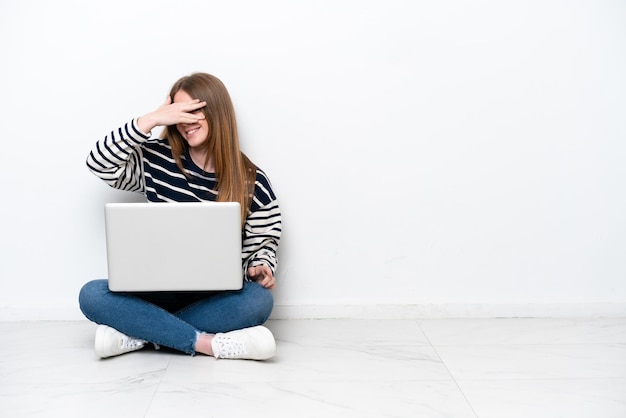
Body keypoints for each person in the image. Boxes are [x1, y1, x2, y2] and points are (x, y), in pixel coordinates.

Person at [79, 73, 282, 360]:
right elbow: (99, 163)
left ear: (216, 111)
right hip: (153, 292)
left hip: (212, 297)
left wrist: (261, 265)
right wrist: (150, 120)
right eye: (178, 112)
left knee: (258, 302)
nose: (185, 121)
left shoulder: (252, 180)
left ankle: (140, 333)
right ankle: (207, 344)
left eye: (193, 110)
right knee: (91, 295)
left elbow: (264, 242)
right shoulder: (155, 160)